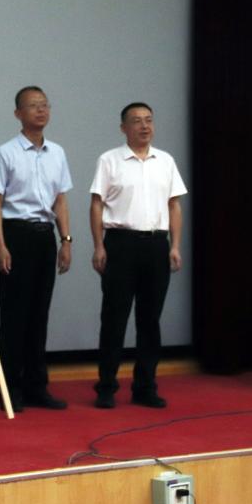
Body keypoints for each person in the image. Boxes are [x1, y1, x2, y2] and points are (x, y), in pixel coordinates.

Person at [89, 102, 187, 409]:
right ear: (123, 128)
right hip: (120, 244)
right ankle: (106, 386)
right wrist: (99, 245)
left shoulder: (166, 161)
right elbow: (96, 204)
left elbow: (174, 205)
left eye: (148, 120)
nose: (144, 126)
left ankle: (145, 387)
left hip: (157, 245)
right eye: (136, 121)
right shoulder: (110, 160)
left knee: (150, 320)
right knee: (114, 318)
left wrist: (175, 245)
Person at [0, 86, 73, 412]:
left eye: (44, 105)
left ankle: (37, 387)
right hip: (16, 235)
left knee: (39, 315)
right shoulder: (6, 152)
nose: (41, 110)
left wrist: (66, 240)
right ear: (18, 113)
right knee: (14, 316)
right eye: (33, 105)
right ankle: (9, 389)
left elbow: (60, 201)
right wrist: (0, 246)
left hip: (44, 236)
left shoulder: (57, 153)